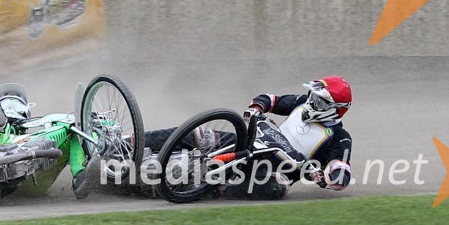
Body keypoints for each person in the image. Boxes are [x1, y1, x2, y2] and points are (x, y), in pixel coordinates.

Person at [144, 76, 353, 200]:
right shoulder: (301, 103)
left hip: (273, 170)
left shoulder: (340, 138)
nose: (312, 102)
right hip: (251, 142)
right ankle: (132, 143)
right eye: (313, 97)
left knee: (276, 186)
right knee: (202, 135)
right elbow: (271, 100)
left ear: (335, 110)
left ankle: (203, 189)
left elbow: (341, 173)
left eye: (320, 102)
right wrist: (256, 107)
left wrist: (325, 177)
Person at [0, 83, 101, 199]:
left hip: (28, 167)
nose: (12, 107)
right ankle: (79, 176)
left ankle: (82, 177)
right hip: (9, 170)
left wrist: (88, 121)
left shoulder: (40, 129)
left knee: (76, 129)